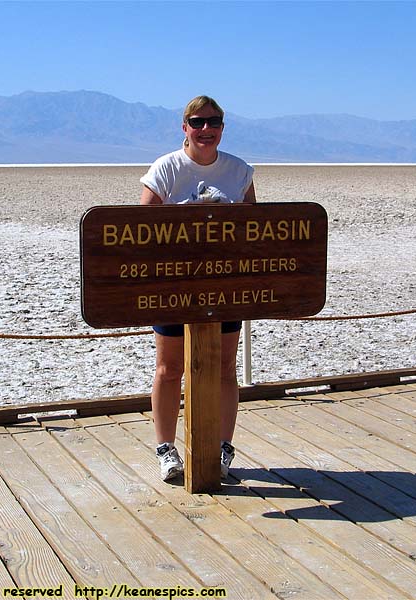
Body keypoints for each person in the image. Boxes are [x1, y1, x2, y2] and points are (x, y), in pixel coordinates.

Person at [139, 95, 256, 481]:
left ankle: (222, 448)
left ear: (223, 127)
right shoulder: (167, 168)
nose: (206, 129)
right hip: (174, 285)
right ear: (184, 127)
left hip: (225, 287)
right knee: (170, 367)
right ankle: (166, 449)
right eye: (198, 122)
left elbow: (256, 229)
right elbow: (142, 229)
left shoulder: (239, 171)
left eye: (214, 122)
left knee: (224, 367)